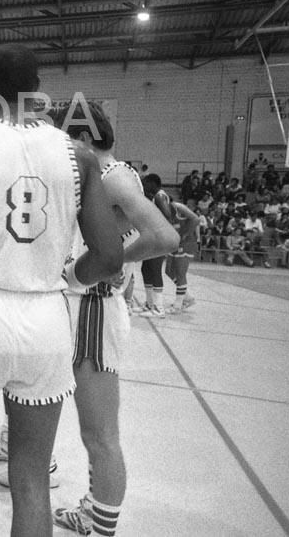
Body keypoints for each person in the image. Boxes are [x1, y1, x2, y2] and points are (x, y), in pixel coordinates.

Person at [0, 45, 123, 537]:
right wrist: (72, 279)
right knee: (31, 479)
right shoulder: (78, 155)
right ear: (37, 86)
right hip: (47, 321)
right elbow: (111, 257)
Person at [41, 102, 178, 537]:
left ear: (80, 138)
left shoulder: (112, 176)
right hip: (82, 305)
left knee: (99, 434)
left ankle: (100, 527)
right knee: (87, 429)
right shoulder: (97, 175)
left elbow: (164, 236)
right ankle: (91, 508)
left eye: (59, 138)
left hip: (93, 309)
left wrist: (107, 261)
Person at [138, 174, 174, 317]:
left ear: (153, 183)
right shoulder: (155, 196)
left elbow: (167, 215)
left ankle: (159, 308)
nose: (144, 186)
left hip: (159, 238)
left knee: (154, 269)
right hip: (152, 237)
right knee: (145, 268)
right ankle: (149, 304)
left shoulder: (160, 196)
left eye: (146, 183)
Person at [164, 200, 200, 313]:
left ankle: (177, 306)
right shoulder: (161, 211)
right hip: (175, 243)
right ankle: (188, 297)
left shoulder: (178, 207)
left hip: (186, 243)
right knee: (169, 271)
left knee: (180, 273)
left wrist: (184, 234)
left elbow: (196, 219)